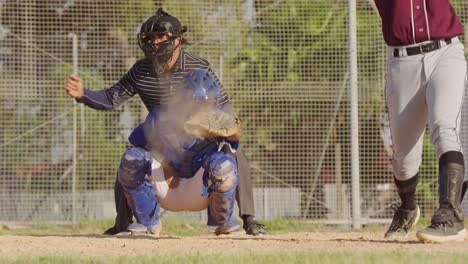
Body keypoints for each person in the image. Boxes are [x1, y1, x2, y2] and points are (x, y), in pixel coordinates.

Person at [65, 8, 266, 235]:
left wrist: (219, 128)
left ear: (178, 39)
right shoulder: (141, 69)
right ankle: (125, 223)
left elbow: (224, 108)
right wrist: (83, 94)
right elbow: (112, 98)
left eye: (161, 36)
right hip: (161, 139)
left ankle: (248, 219)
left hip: (199, 143)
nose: (155, 41)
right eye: (150, 37)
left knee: (235, 154)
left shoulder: (198, 67)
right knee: (132, 156)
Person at [374, 0, 467, 243]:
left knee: (444, 128)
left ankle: (451, 215)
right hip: (402, 62)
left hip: (446, 52)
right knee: (404, 160)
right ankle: (407, 208)